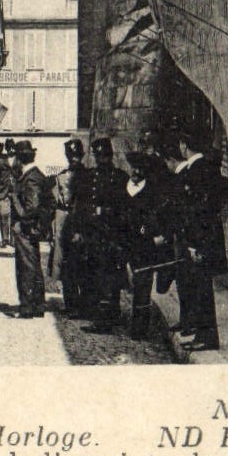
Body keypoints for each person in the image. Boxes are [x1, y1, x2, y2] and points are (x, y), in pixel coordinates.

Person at [170, 128, 226, 351]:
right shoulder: (207, 168)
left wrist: (194, 244)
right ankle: (203, 335)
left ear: (184, 145)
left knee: (202, 290)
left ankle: (207, 337)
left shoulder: (197, 171)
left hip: (201, 240)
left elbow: (198, 211)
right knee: (201, 288)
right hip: (205, 238)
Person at [122, 144, 176, 338]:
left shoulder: (153, 193)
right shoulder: (124, 189)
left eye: (140, 169)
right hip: (125, 242)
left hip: (144, 245)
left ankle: (139, 328)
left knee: (142, 284)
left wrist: (155, 236)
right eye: (133, 168)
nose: (136, 172)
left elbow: (159, 218)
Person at [83, 136, 128, 331]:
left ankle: (106, 319)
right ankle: (106, 314)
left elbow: (125, 209)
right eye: (98, 156)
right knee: (98, 274)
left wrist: (105, 212)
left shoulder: (119, 177)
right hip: (95, 235)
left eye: (103, 156)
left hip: (112, 234)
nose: (100, 160)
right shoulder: (91, 176)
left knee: (109, 276)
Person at [11, 138, 55, 318]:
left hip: (27, 229)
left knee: (26, 266)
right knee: (34, 264)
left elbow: (31, 207)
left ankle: (27, 306)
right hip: (34, 228)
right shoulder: (37, 175)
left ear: (20, 159)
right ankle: (38, 305)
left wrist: (22, 222)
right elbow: (49, 204)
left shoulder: (30, 179)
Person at [54, 137, 94, 316]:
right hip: (66, 223)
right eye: (71, 156)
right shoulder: (62, 175)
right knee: (67, 264)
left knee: (83, 266)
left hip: (83, 225)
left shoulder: (88, 176)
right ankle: (70, 303)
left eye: (77, 156)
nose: (74, 159)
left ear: (82, 155)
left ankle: (84, 305)